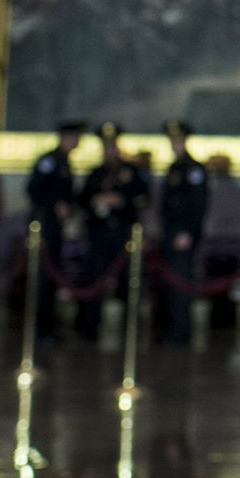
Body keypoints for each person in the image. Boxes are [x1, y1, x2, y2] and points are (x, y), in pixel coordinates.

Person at [75, 122, 149, 341]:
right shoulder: (96, 174)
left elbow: (143, 198)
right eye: (105, 147)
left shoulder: (130, 172)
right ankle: (91, 327)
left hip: (123, 234)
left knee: (128, 280)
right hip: (99, 234)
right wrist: (96, 200)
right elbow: (82, 200)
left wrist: (121, 200)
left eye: (112, 147)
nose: (109, 151)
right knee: (96, 280)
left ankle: (130, 329)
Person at [25, 120, 85, 341]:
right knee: (42, 276)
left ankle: (48, 325)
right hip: (44, 225)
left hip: (56, 227)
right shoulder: (49, 161)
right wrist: (55, 205)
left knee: (52, 276)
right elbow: (34, 190)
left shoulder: (65, 162)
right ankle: (39, 329)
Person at [156, 120, 210, 345]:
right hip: (170, 233)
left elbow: (198, 204)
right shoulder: (174, 168)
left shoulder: (194, 169)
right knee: (171, 284)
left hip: (183, 236)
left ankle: (182, 332)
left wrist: (188, 232)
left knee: (181, 284)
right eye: (172, 141)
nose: (175, 145)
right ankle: (174, 330)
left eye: (178, 140)